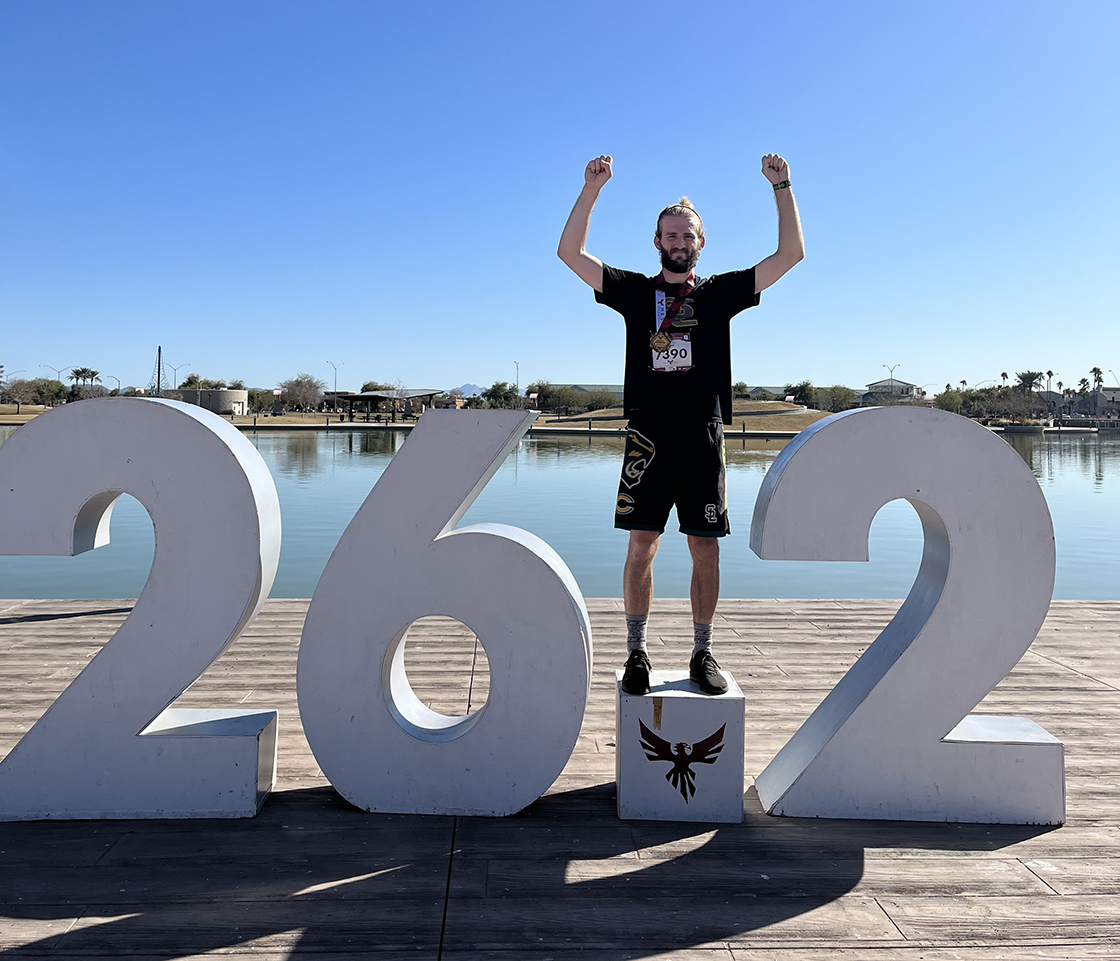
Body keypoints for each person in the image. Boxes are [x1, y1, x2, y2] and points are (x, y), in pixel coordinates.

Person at [557, 154, 804, 696]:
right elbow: (568, 253)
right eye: (669, 233)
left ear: (700, 241)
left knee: (704, 548)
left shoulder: (717, 295)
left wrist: (781, 187)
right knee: (642, 544)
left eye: (686, 233)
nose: (677, 240)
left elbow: (791, 254)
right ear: (656, 241)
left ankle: (702, 651)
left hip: (702, 437)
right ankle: (637, 653)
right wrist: (590, 190)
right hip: (648, 437)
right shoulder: (635, 293)